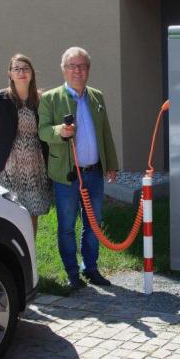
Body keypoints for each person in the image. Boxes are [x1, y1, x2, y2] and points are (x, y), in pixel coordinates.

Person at [38, 47, 119, 290]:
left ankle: (91, 268)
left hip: (94, 172)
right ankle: (72, 273)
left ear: (88, 70)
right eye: (72, 66)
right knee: (66, 225)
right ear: (64, 70)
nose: (78, 71)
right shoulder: (50, 98)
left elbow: (105, 133)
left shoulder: (97, 97)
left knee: (93, 223)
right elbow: (42, 131)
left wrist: (111, 164)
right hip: (67, 174)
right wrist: (59, 132)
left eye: (82, 66)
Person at [0, 53, 51, 236]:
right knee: (7, 212)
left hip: (34, 166)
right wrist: (2, 148)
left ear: (32, 73)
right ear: (10, 74)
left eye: (25, 68)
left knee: (32, 212)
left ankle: (29, 253)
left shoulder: (41, 100)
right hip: (7, 167)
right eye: (16, 69)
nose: (21, 72)